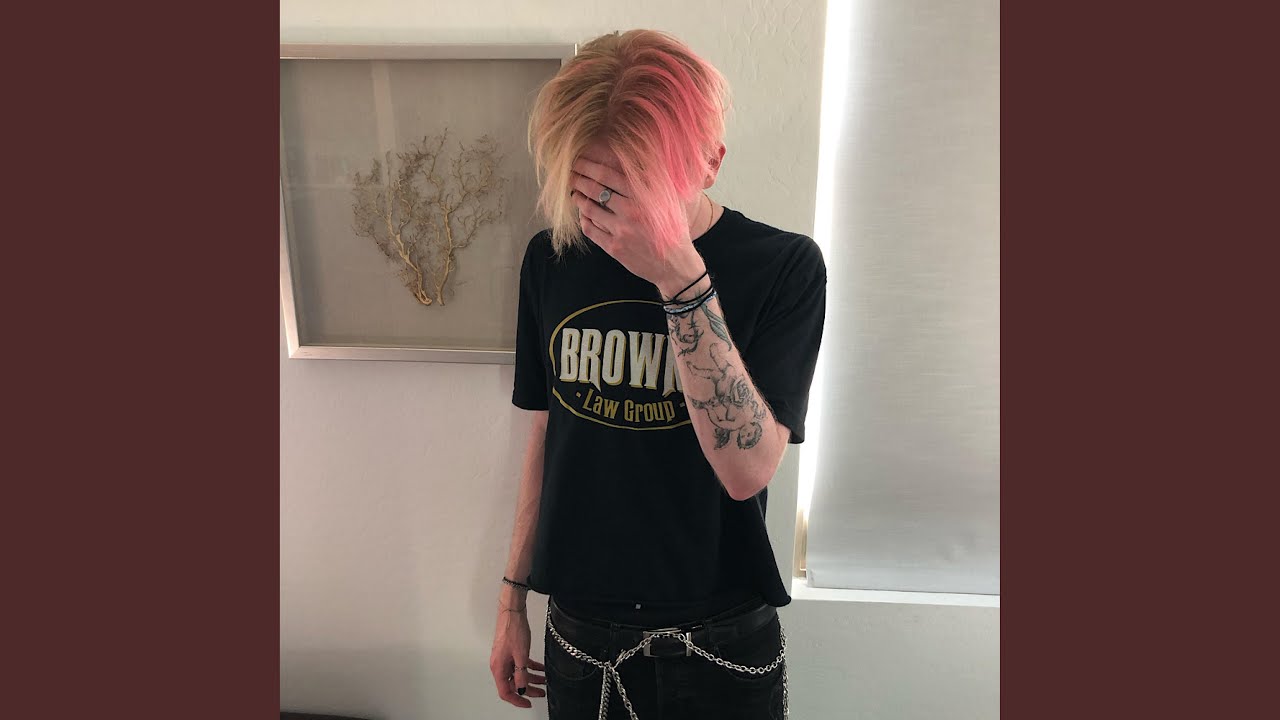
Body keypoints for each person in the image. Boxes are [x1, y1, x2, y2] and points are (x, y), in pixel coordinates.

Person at [489, 29, 826, 720]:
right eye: (591, 186)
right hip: (581, 632)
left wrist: (679, 277)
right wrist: (510, 601)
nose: (610, 210)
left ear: (710, 163)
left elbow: (748, 470)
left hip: (722, 634)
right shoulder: (552, 258)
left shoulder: (785, 267)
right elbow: (547, 438)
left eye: (639, 185)